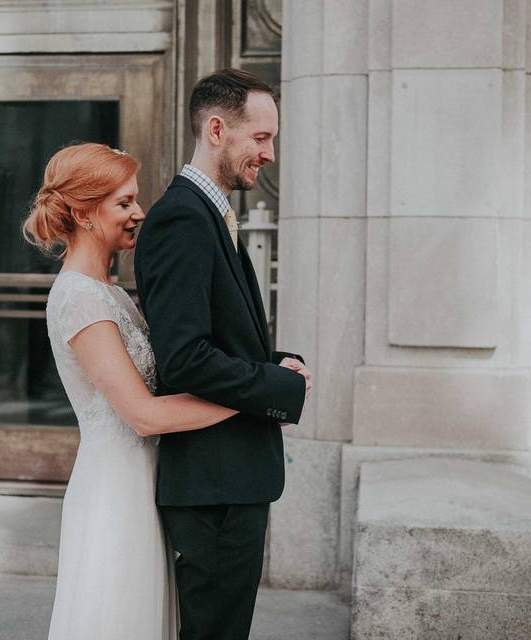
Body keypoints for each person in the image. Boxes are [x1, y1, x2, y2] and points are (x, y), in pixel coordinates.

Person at [25, 142, 298, 639]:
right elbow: (144, 415)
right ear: (85, 213)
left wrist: (266, 373)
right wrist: (257, 398)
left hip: (151, 479)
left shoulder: (109, 292)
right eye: (124, 202)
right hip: (117, 489)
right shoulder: (79, 300)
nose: (139, 213)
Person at [133, 68, 313, 640]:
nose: (270, 154)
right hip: (214, 486)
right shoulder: (183, 218)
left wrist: (272, 364)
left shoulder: (212, 214)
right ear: (217, 129)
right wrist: (275, 388)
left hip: (229, 480)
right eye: (260, 138)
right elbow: (184, 358)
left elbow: (218, 337)